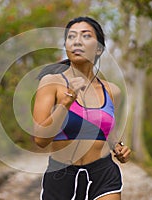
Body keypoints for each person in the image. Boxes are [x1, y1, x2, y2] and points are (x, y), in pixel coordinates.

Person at [33, 16, 131, 200]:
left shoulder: (113, 91)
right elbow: (40, 139)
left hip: (103, 175)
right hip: (61, 176)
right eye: (71, 37)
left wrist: (119, 148)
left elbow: (108, 134)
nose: (77, 41)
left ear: (99, 49)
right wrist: (66, 103)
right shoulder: (51, 83)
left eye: (86, 36)